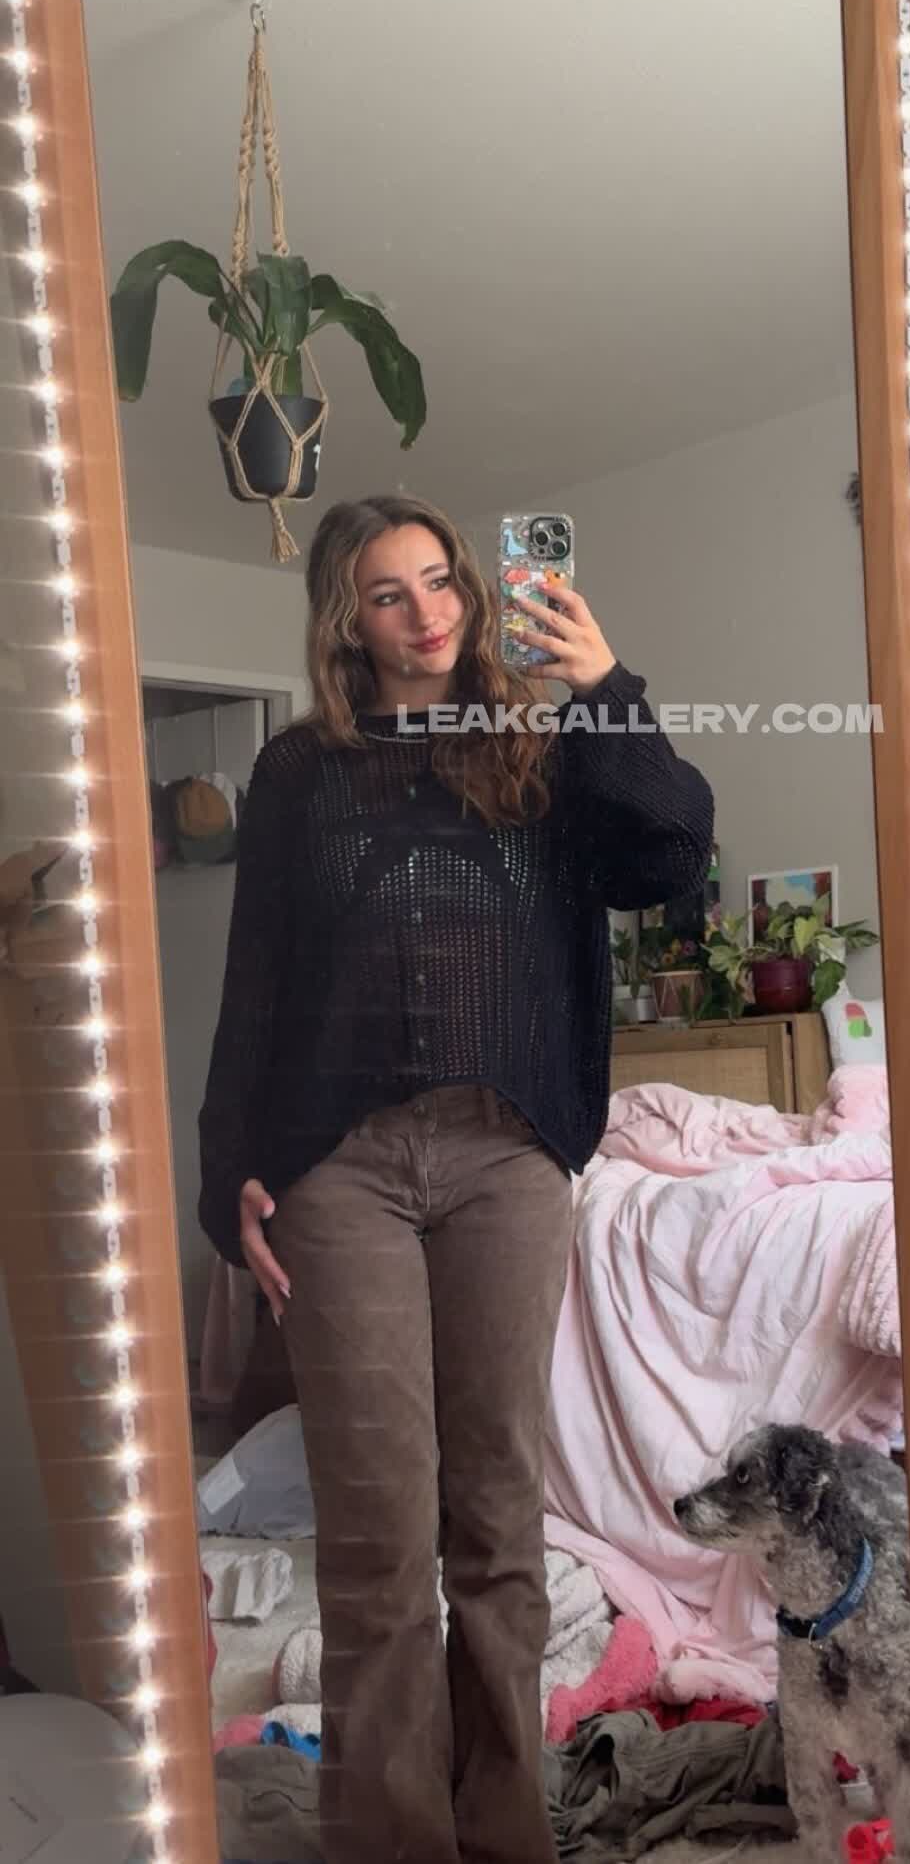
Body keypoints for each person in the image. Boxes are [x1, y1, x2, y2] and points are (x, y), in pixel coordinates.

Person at [197, 492, 714, 1864]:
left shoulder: (543, 743)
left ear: (478, 596)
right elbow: (257, 982)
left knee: (497, 1521)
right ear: (346, 621)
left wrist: (604, 691)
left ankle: (505, 1835)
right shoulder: (300, 774)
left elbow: (675, 860)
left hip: (506, 1153)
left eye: (441, 582)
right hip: (337, 1169)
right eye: (389, 593)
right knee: (377, 1538)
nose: (426, 614)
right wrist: (227, 1171)